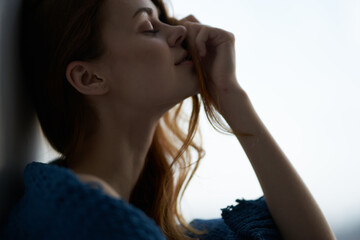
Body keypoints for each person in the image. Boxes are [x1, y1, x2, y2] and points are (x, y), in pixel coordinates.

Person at [0, 0, 336, 239]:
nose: (178, 31)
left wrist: (230, 94)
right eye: (148, 27)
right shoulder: (84, 214)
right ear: (90, 78)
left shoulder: (97, 209)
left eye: (164, 19)